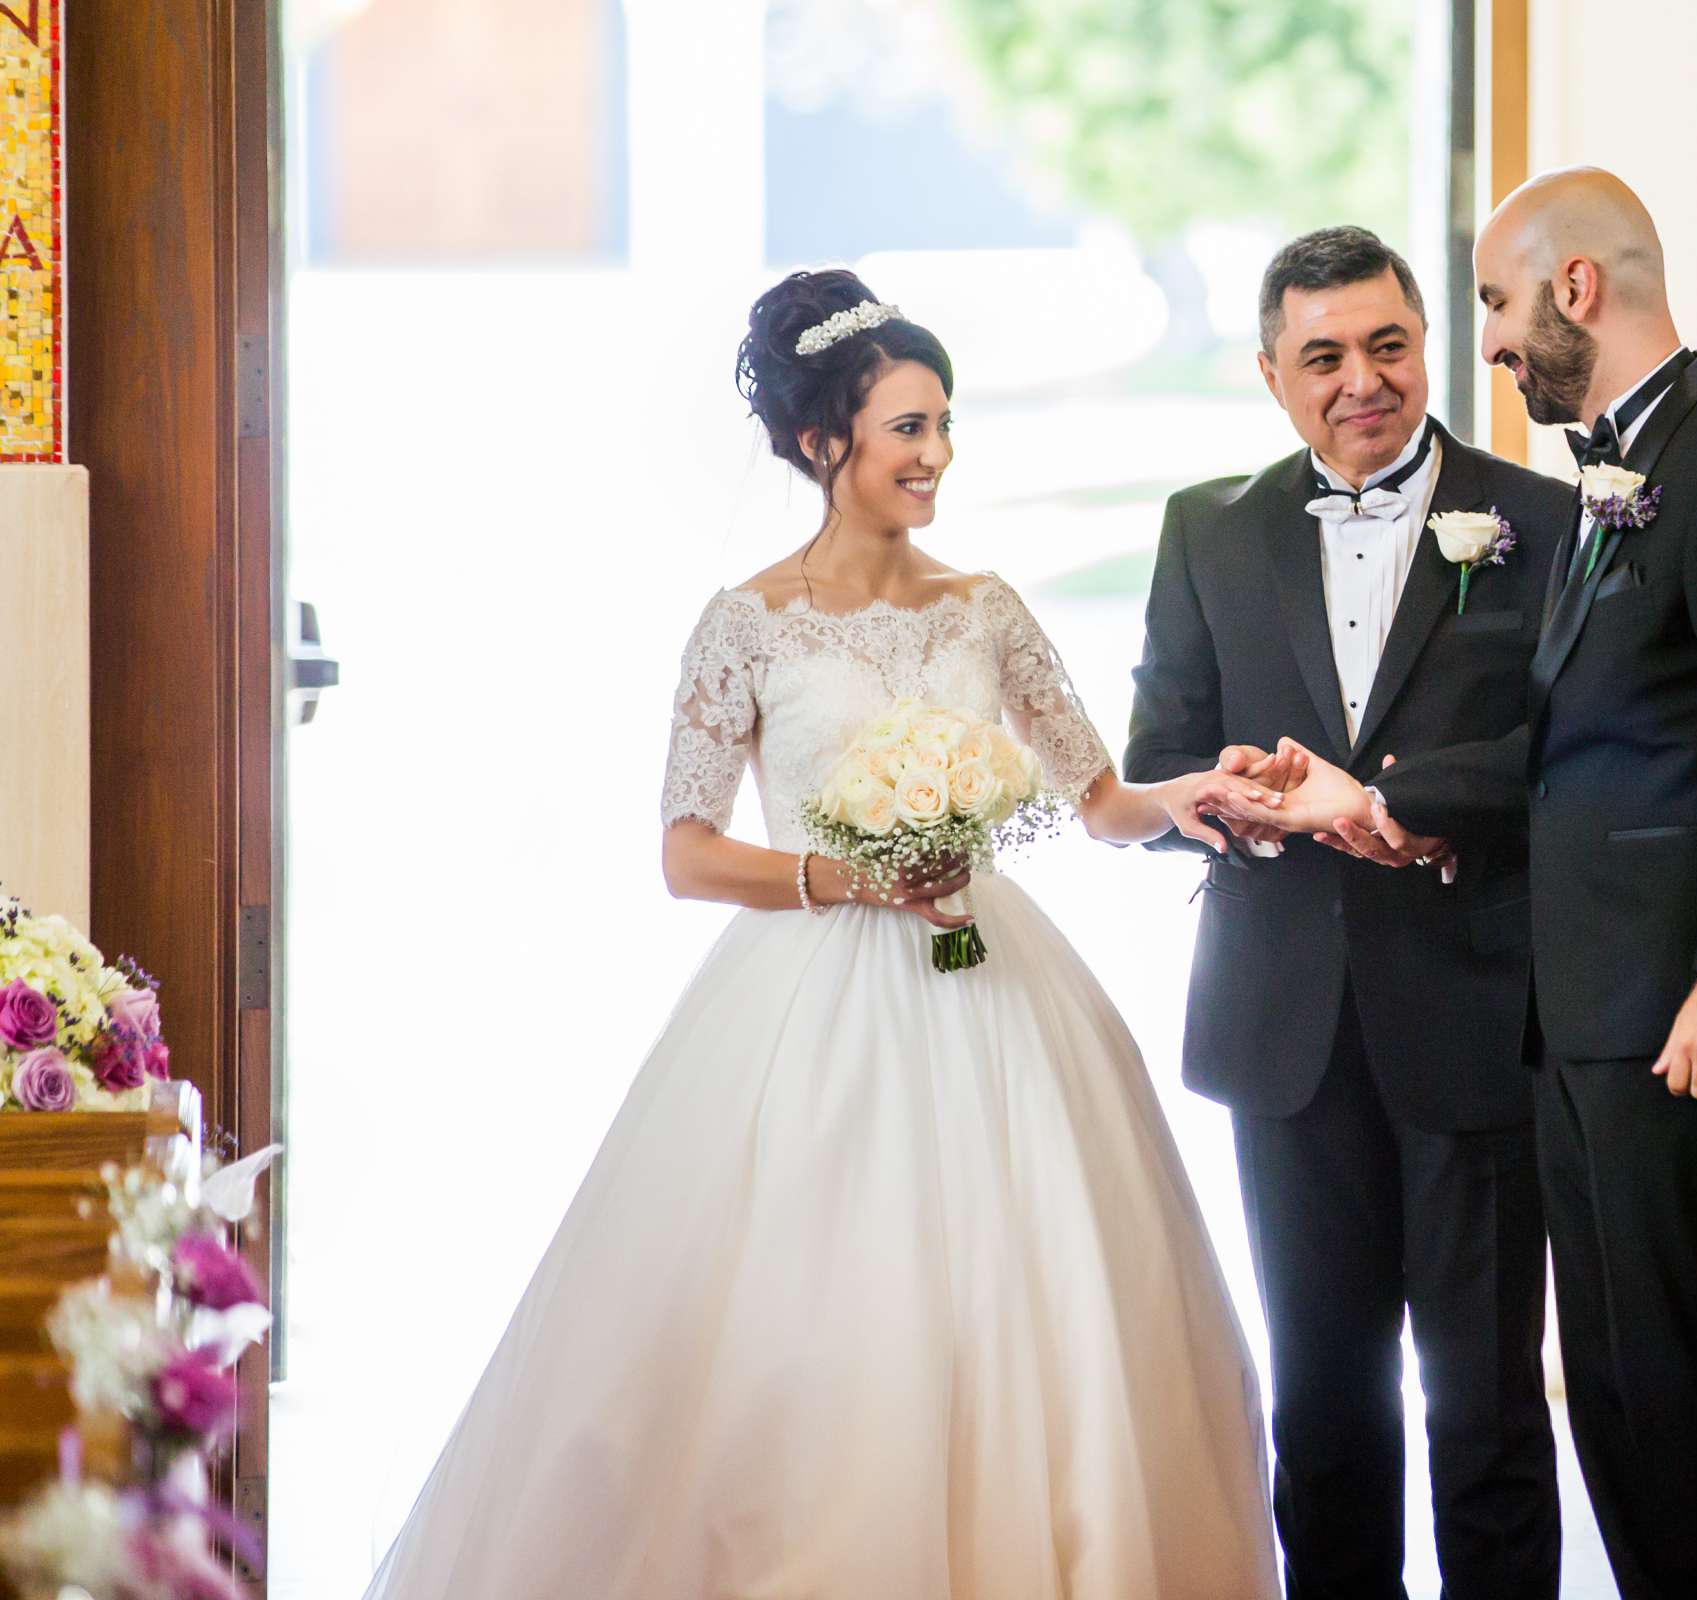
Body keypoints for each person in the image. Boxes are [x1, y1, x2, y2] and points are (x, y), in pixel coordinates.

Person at [361, 269, 1278, 1600]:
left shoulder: (987, 606)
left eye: (944, 424)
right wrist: (846, 879)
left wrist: (1196, 799)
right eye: (909, 428)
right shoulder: (743, 626)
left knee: (1035, 1314)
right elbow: (686, 853)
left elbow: (1099, 800)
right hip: (810, 1001)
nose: (938, 455)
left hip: (993, 985)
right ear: (819, 442)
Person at [1216, 171, 1697, 1600]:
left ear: (1576, 289)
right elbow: (1565, 756)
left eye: (1496, 305)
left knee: (1684, 1403)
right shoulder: (1625, 470)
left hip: (1687, 1019)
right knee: (1619, 1403)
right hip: (1589, 1022)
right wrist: (1376, 800)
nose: (1488, 346)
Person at [1125, 226, 1571, 1600]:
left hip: (1479, 1011)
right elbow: (1159, 762)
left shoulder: (1542, 521)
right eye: (1323, 356)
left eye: (1387, 345)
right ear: (1273, 375)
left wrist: (1405, 804)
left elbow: (1572, 756)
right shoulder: (1209, 529)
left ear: (1426, 343)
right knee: (1322, 1407)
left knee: (1487, 1406)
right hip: (1287, 1027)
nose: (1361, 381)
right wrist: (1245, 795)